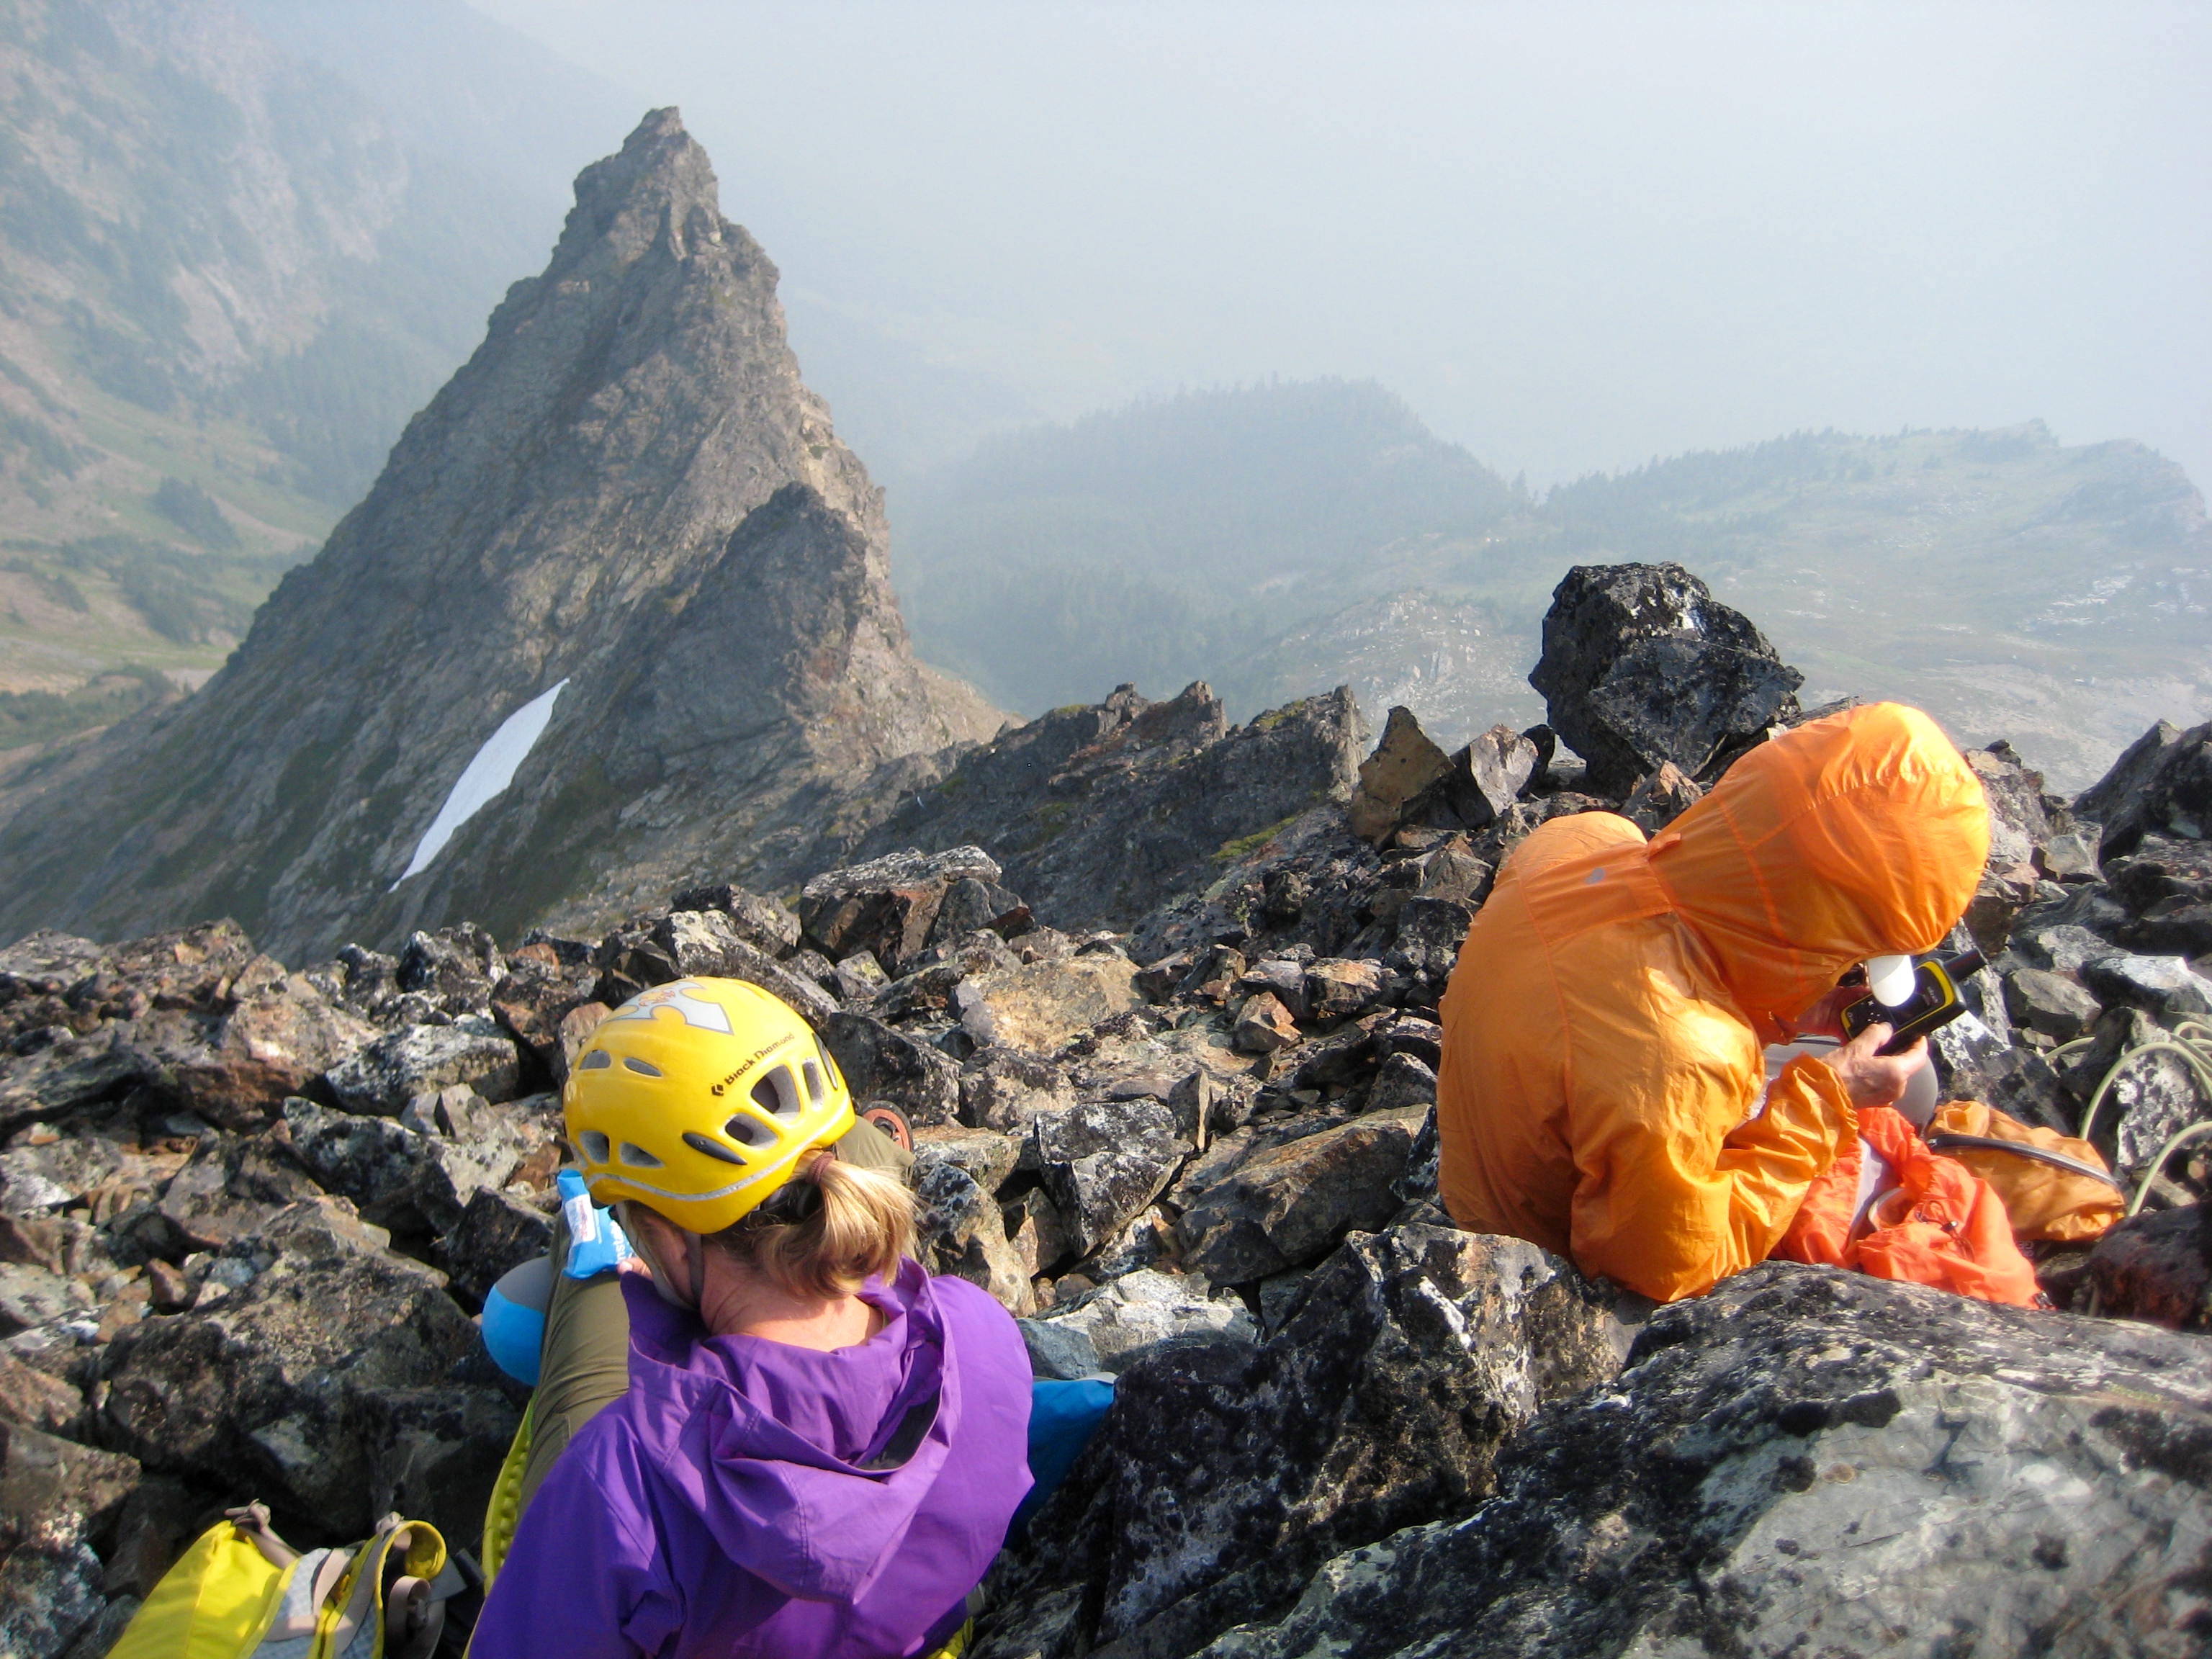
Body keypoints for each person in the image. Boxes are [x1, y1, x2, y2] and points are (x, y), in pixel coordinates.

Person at [469, 976, 1034, 1658]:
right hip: (922, 1623)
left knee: (549, 1293)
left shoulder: (614, 1482)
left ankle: (584, 1219)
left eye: (636, 1221)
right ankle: (871, 1148)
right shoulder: (977, 1331)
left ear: (667, 1237)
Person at [1434, 701, 1997, 1304]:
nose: (1855, 971)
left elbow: (1637, 973)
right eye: (1860, 951)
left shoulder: (1583, 841)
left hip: (1495, 1151)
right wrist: (1826, 1104)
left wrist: (1783, 1009)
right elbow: (1668, 1270)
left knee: (1902, 1083)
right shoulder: (1685, 1056)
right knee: (1911, 1097)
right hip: (1540, 1268)